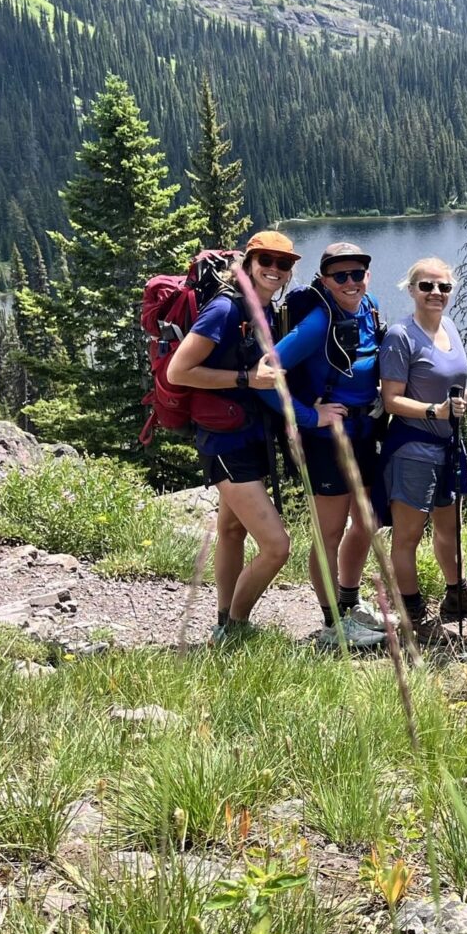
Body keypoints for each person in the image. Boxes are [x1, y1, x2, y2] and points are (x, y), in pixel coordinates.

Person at [164, 230, 294, 647]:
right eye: (266, 261)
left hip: (249, 435)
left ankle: (223, 616)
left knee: (233, 531)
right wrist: (245, 379)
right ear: (249, 263)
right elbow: (178, 372)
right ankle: (234, 628)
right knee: (276, 547)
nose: (275, 269)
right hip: (223, 442)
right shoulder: (222, 309)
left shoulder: (264, 310)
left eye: (284, 263)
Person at [262, 242, 386, 651]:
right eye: (340, 276)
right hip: (326, 442)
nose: (351, 283)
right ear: (324, 280)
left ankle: (348, 601)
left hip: (365, 434)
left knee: (365, 523)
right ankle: (333, 624)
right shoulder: (318, 321)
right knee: (330, 533)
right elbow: (266, 375)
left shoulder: (369, 309)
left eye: (357, 274)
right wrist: (309, 415)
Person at [377, 256, 467, 642]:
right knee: (408, 536)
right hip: (413, 446)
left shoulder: (448, 326)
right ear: (411, 289)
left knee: (450, 527)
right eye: (427, 286)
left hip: (448, 444)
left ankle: (456, 595)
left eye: (443, 287)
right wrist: (437, 410)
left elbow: (449, 389)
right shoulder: (401, 336)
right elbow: (391, 400)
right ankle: (412, 612)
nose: (436, 293)